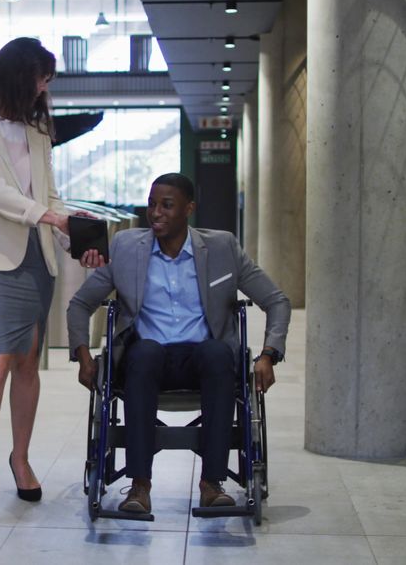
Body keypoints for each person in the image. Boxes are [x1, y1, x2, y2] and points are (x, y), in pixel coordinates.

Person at [0, 37, 105, 534]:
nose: (43, 89)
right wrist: (49, 215)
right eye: (40, 78)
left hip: (34, 260)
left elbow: (48, 194)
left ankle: (20, 459)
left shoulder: (38, 130)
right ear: (17, 74)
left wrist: (70, 233)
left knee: (26, 365)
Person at [66, 172, 290, 514]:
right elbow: (80, 304)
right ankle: (139, 486)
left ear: (189, 209)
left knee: (218, 354)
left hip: (202, 359)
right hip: (146, 361)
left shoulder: (222, 247)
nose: (156, 212)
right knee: (144, 353)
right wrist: (84, 357)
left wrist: (268, 356)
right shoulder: (127, 248)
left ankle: (211, 484)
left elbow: (276, 300)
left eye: (167, 205)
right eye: (152, 204)